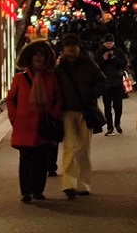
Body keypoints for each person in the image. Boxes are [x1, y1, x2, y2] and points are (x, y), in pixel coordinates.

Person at [6, 39, 62, 203]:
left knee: (42, 160)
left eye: (42, 56)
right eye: (36, 56)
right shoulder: (20, 78)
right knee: (25, 160)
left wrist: (53, 115)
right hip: (24, 125)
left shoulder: (51, 78)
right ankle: (26, 191)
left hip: (44, 125)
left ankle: (38, 190)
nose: (39, 59)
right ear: (29, 58)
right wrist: (14, 118)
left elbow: (58, 99)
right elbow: (11, 100)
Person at [54, 33, 107, 199]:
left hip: (85, 111)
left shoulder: (88, 64)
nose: (71, 48)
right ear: (63, 48)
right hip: (66, 112)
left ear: (78, 47)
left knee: (83, 148)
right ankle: (69, 184)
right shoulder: (59, 68)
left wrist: (91, 94)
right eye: (67, 45)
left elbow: (103, 82)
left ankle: (83, 184)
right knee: (70, 147)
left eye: (73, 45)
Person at [95, 33, 128, 135]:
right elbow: (96, 66)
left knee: (118, 105)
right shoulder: (100, 52)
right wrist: (103, 59)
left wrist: (114, 58)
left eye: (110, 43)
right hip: (105, 83)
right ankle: (110, 127)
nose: (109, 45)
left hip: (117, 82)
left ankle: (117, 123)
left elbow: (124, 63)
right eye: (107, 43)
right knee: (107, 106)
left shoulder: (118, 51)